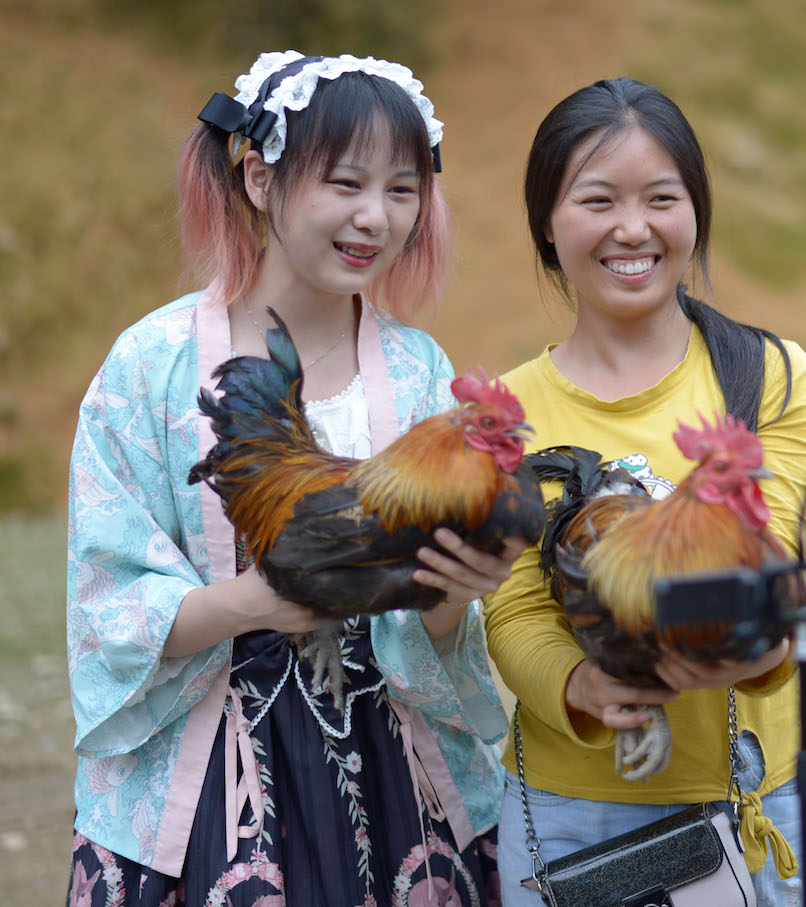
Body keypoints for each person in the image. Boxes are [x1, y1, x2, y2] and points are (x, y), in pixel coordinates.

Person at [66, 51, 520, 906]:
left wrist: (455, 594)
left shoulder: (421, 371)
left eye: (402, 188)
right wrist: (259, 602)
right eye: (345, 183)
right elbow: (106, 599)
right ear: (260, 178)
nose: (375, 217)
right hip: (208, 774)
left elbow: (435, 624)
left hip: (398, 763)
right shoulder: (149, 366)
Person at [483, 78, 806, 906]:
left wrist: (759, 644)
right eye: (597, 200)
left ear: (697, 211)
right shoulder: (507, 412)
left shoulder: (774, 378)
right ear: (547, 220)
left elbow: (774, 555)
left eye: (661, 198)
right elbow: (515, 609)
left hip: (753, 798)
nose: (632, 229)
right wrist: (584, 686)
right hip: (574, 814)